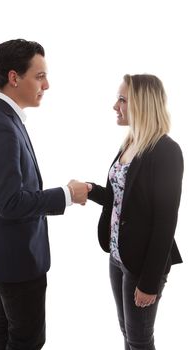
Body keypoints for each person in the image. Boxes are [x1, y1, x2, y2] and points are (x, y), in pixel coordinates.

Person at [0, 38, 90, 350]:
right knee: (27, 340)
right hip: (17, 260)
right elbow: (10, 203)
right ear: (13, 77)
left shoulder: (6, 119)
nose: (46, 85)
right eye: (39, 76)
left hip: (9, 256)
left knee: (8, 331)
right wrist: (67, 194)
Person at [88, 74, 183, 349]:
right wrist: (91, 190)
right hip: (118, 257)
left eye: (122, 99)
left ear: (141, 104)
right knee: (127, 332)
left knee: (140, 339)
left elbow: (166, 222)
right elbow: (122, 199)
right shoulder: (129, 143)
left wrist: (150, 282)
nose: (115, 105)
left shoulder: (166, 151)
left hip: (142, 266)